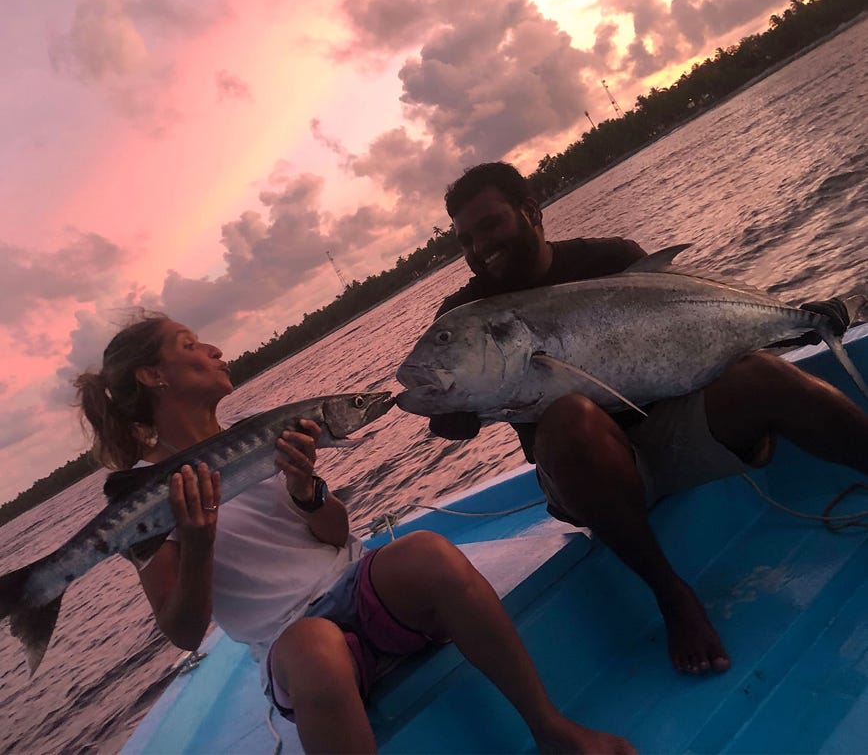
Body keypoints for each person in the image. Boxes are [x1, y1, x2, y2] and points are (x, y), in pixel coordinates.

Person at [75, 312, 633, 755]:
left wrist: (306, 489)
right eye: (189, 344)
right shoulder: (140, 496)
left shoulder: (259, 435)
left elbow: (334, 532)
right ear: (153, 375)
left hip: (362, 589)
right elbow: (183, 632)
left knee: (430, 552)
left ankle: (551, 728)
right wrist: (197, 546)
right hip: (289, 643)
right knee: (316, 648)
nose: (213, 350)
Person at [430, 161, 868, 676]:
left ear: (530, 212)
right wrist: (449, 416)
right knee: (570, 416)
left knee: (764, 375)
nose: (479, 248)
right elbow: (442, 397)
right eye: (465, 240)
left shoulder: (611, 259)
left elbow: (702, 327)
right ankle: (674, 599)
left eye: (489, 225)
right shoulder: (464, 313)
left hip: (678, 433)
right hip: (586, 473)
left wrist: (795, 325)